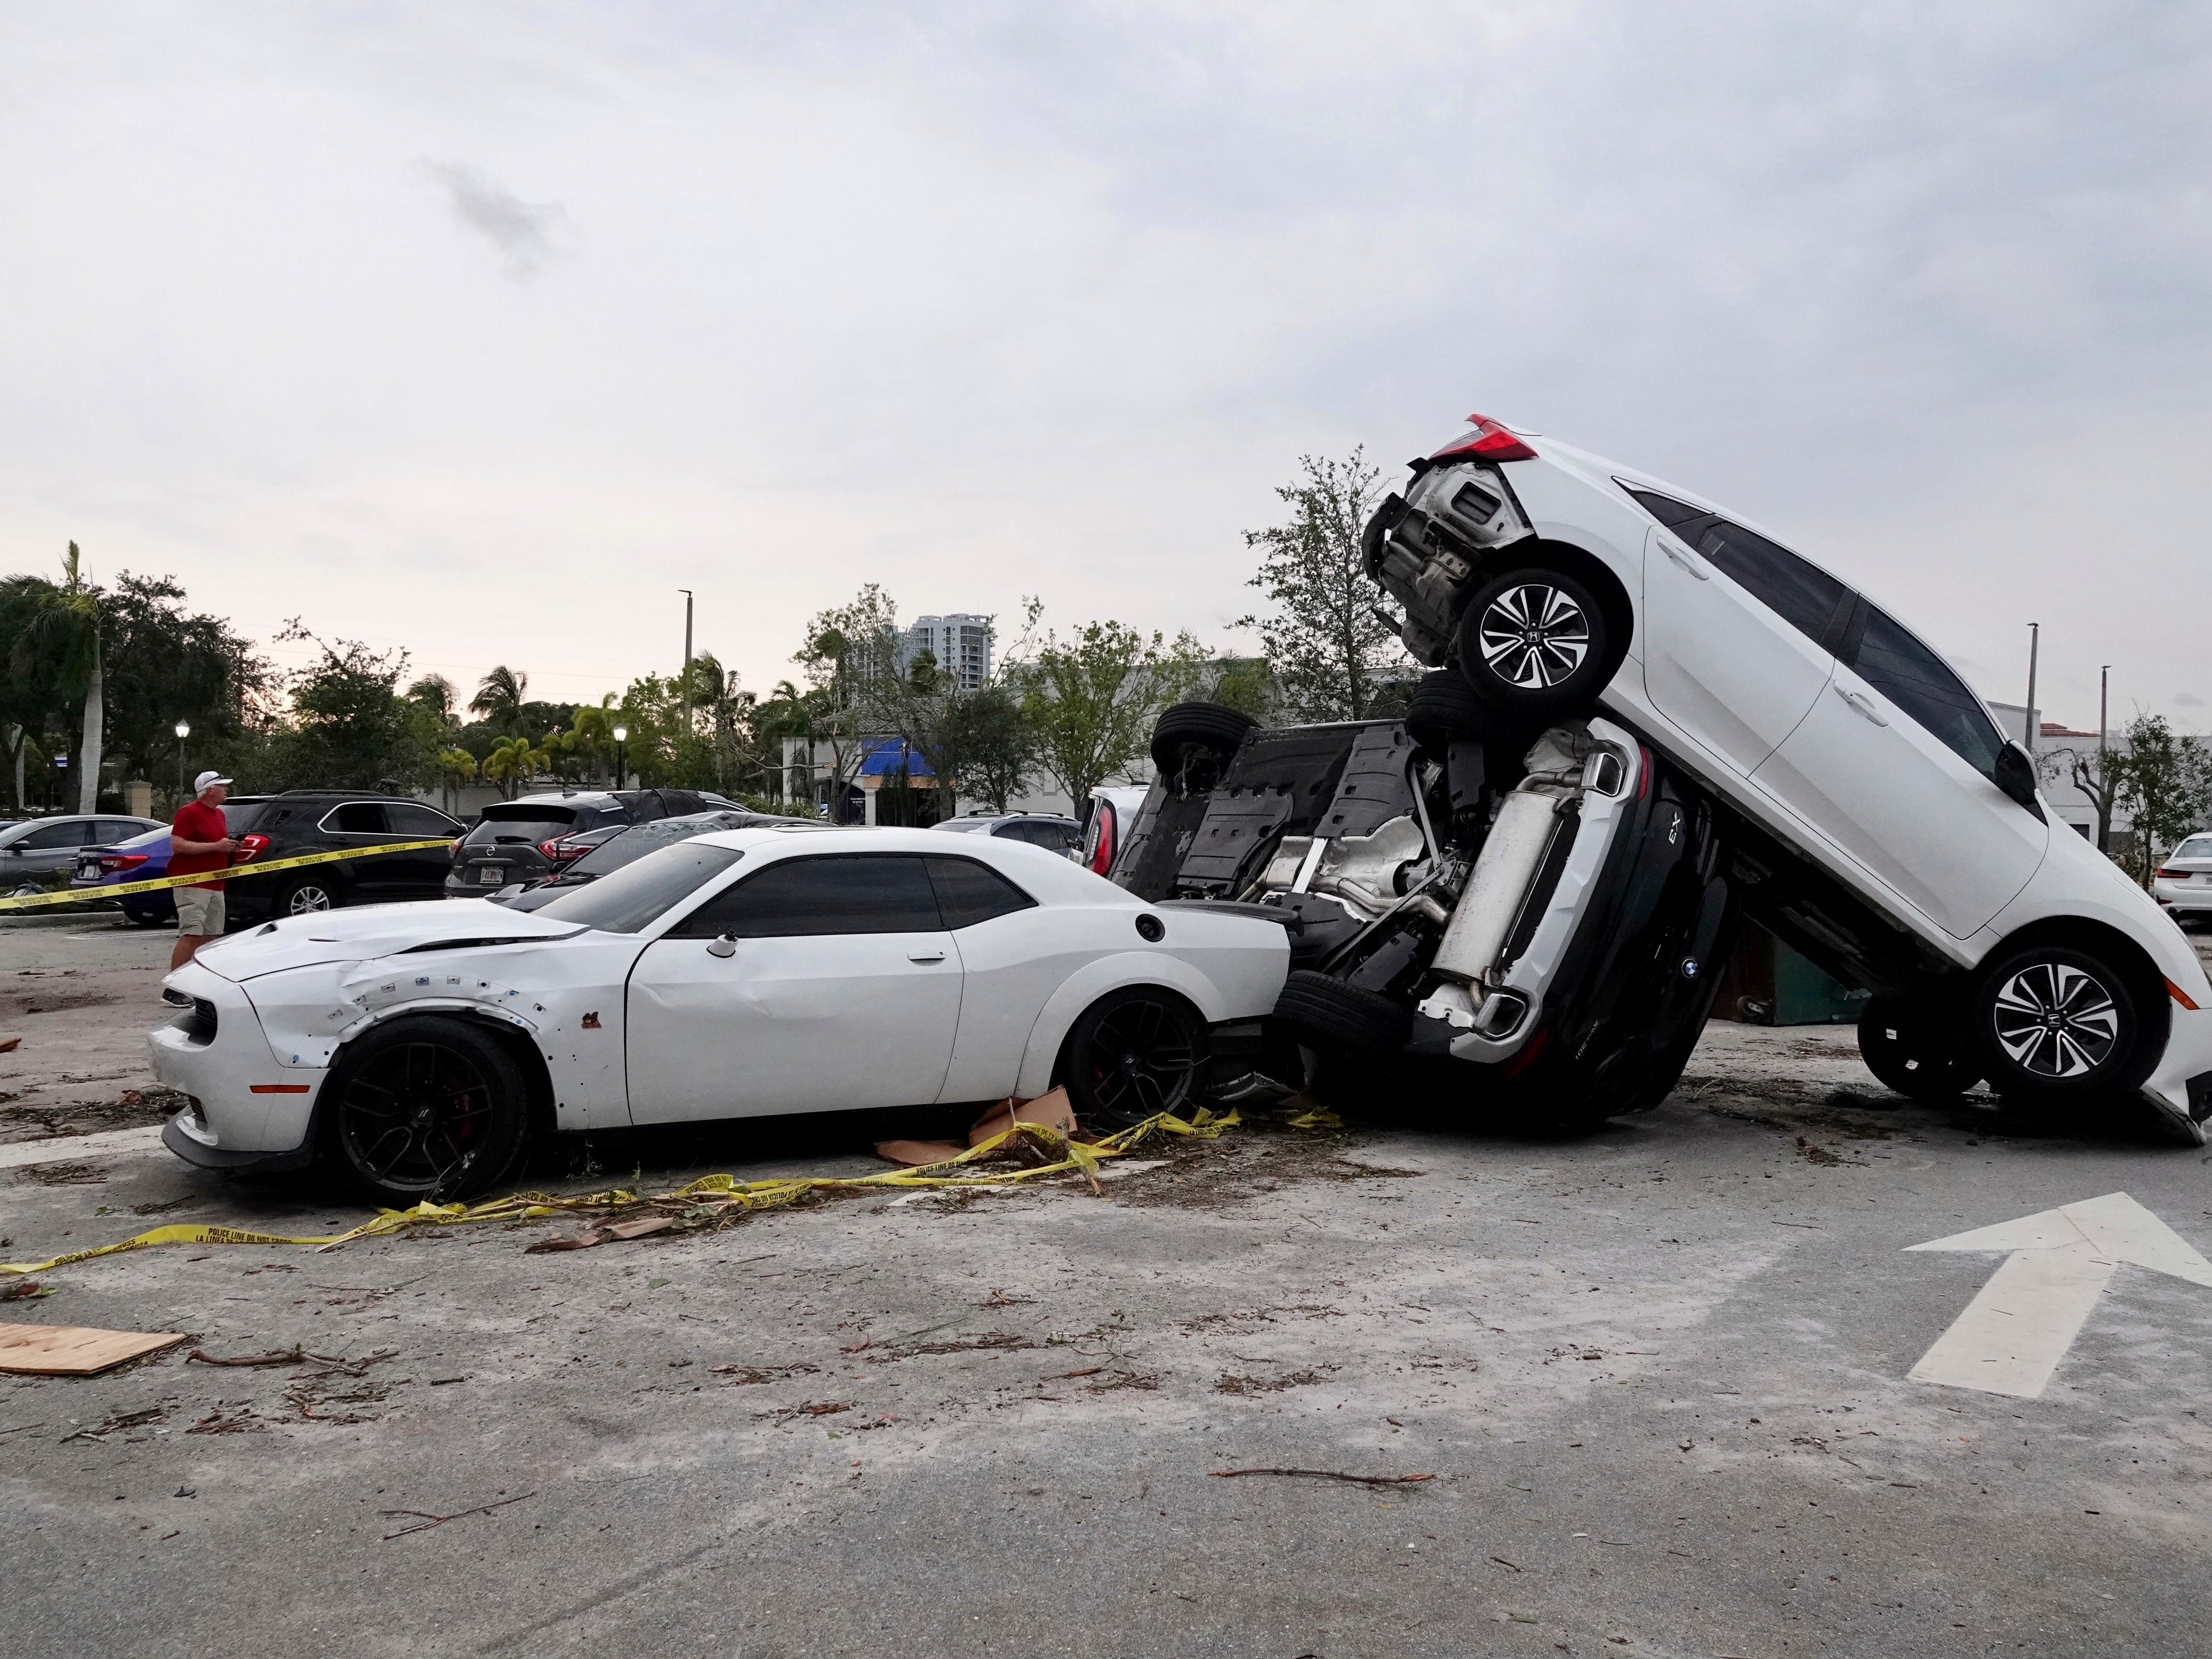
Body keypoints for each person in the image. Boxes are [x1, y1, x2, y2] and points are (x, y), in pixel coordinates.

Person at [168, 771, 238, 970]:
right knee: (192, 934)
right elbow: (178, 845)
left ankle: (198, 982)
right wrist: (215, 846)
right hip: (192, 884)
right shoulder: (189, 812)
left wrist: (230, 847)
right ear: (210, 790)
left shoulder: (219, 814)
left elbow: (215, 844)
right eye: (222, 786)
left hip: (216, 884)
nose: (226, 790)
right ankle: (174, 988)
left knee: (212, 936)